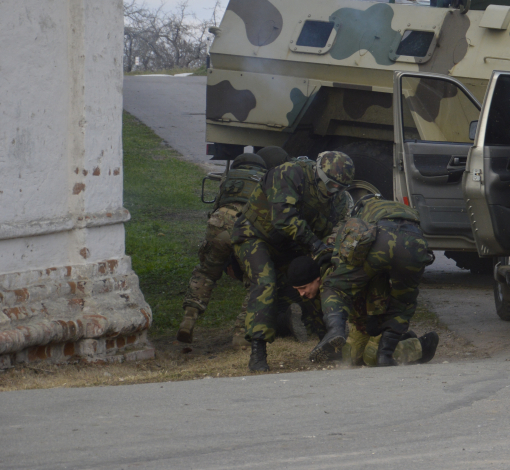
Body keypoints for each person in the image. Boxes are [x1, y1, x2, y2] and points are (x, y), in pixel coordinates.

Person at [233, 150, 354, 372]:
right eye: (330, 186)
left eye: (340, 188)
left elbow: (332, 230)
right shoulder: (289, 174)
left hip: (292, 243)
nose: (333, 192)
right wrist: (315, 245)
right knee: (266, 282)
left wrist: (325, 252)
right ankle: (258, 353)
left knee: (316, 278)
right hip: (255, 235)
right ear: (318, 175)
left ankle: (328, 339)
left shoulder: (336, 199)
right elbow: (283, 218)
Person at [177, 147, 290, 345]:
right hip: (245, 229)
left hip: (218, 223)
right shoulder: (269, 180)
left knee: (206, 272)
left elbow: (216, 204)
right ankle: (241, 335)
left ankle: (189, 318)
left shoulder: (229, 178)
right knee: (256, 282)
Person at [309, 194, 437, 367]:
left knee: (335, 287)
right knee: (403, 302)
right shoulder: (400, 210)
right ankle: (386, 353)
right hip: (414, 242)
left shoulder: (360, 218)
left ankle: (420, 347)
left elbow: (343, 275)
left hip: (381, 244)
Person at [288, 256, 437, 366]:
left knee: (372, 358)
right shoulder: (323, 285)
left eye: (303, 288)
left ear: (317, 279)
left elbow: (378, 290)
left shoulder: (335, 280)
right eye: (298, 290)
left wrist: (377, 321)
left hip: (382, 313)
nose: (302, 293)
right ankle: (401, 340)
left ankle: (422, 346)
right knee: (350, 358)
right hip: (362, 319)